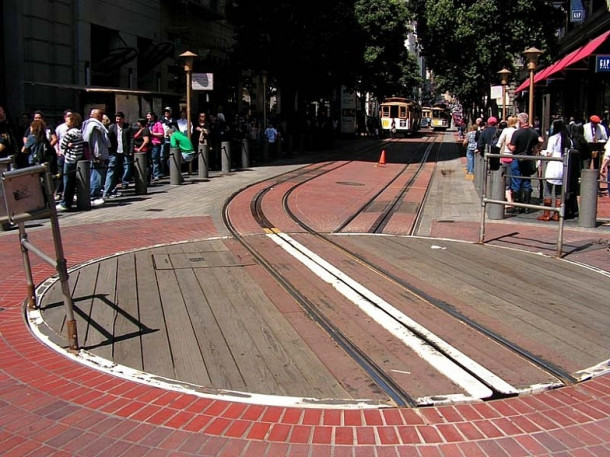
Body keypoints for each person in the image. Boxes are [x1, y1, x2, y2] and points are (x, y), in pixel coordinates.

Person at [507, 112, 543, 212]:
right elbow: (541, 141)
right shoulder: (534, 133)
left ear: (520, 122)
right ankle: (526, 206)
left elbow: (512, 148)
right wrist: (536, 150)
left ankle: (518, 206)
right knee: (527, 181)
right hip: (528, 158)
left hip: (517, 159)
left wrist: (508, 145)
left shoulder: (517, 133)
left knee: (516, 181)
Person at [538, 118, 571, 221]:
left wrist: (542, 152)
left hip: (553, 165)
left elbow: (549, 153)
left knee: (547, 190)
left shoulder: (553, 138)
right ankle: (557, 214)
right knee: (559, 192)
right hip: (563, 167)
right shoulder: (568, 139)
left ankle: (546, 214)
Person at [56, 113, 84, 212]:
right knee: (71, 182)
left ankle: (65, 203)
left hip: (69, 159)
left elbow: (62, 145)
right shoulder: (79, 132)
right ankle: (68, 201)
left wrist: (68, 145)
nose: (66, 122)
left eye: (68, 120)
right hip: (77, 158)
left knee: (67, 182)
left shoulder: (70, 133)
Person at [82, 108, 111, 206]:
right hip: (97, 156)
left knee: (96, 175)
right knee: (96, 176)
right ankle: (94, 196)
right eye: (100, 114)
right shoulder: (94, 126)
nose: (101, 116)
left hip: (95, 155)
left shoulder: (90, 124)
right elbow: (95, 142)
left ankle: (94, 194)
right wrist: (97, 155)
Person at [104, 112, 133, 199]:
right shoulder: (112, 127)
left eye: (120, 119)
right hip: (115, 151)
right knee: (114, 170)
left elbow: (131, 139)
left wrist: (131, 150)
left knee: (127, 167)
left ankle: (125, 182)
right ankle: (110, 189)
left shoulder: (128, 127)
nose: (118, 121)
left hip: (125, 150)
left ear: (123, 119)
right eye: (117, 119)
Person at [496, 116, 518, 211]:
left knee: (506, 180)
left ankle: (509, 202)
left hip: (506, 156)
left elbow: (499, 143)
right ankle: (513, 198)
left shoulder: (506, 130)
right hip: (517, 157)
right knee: (515, 178)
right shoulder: (518, 131)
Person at [54, 109, 72, 201]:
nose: (70, 117)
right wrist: (57, 150)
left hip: (71, 154)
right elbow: (56, 139)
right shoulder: (60, 128)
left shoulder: (75, 128)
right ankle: (58, 191)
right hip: (62, 153)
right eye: (68, 116)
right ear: (64, 117)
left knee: (69, 174)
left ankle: (68, 192)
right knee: (60, 173)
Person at [147, 111, 164, 181]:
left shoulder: (158, 124)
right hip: (148, 143)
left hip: (155, 143)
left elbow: (161, 134)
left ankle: (156, 174)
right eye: (147, 117)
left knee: (155, 159)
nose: (148, 118)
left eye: (149, 116)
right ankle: (150, 174)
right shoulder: (147, 124)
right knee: (150, 160)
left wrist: (152, 133)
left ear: (153, 116)